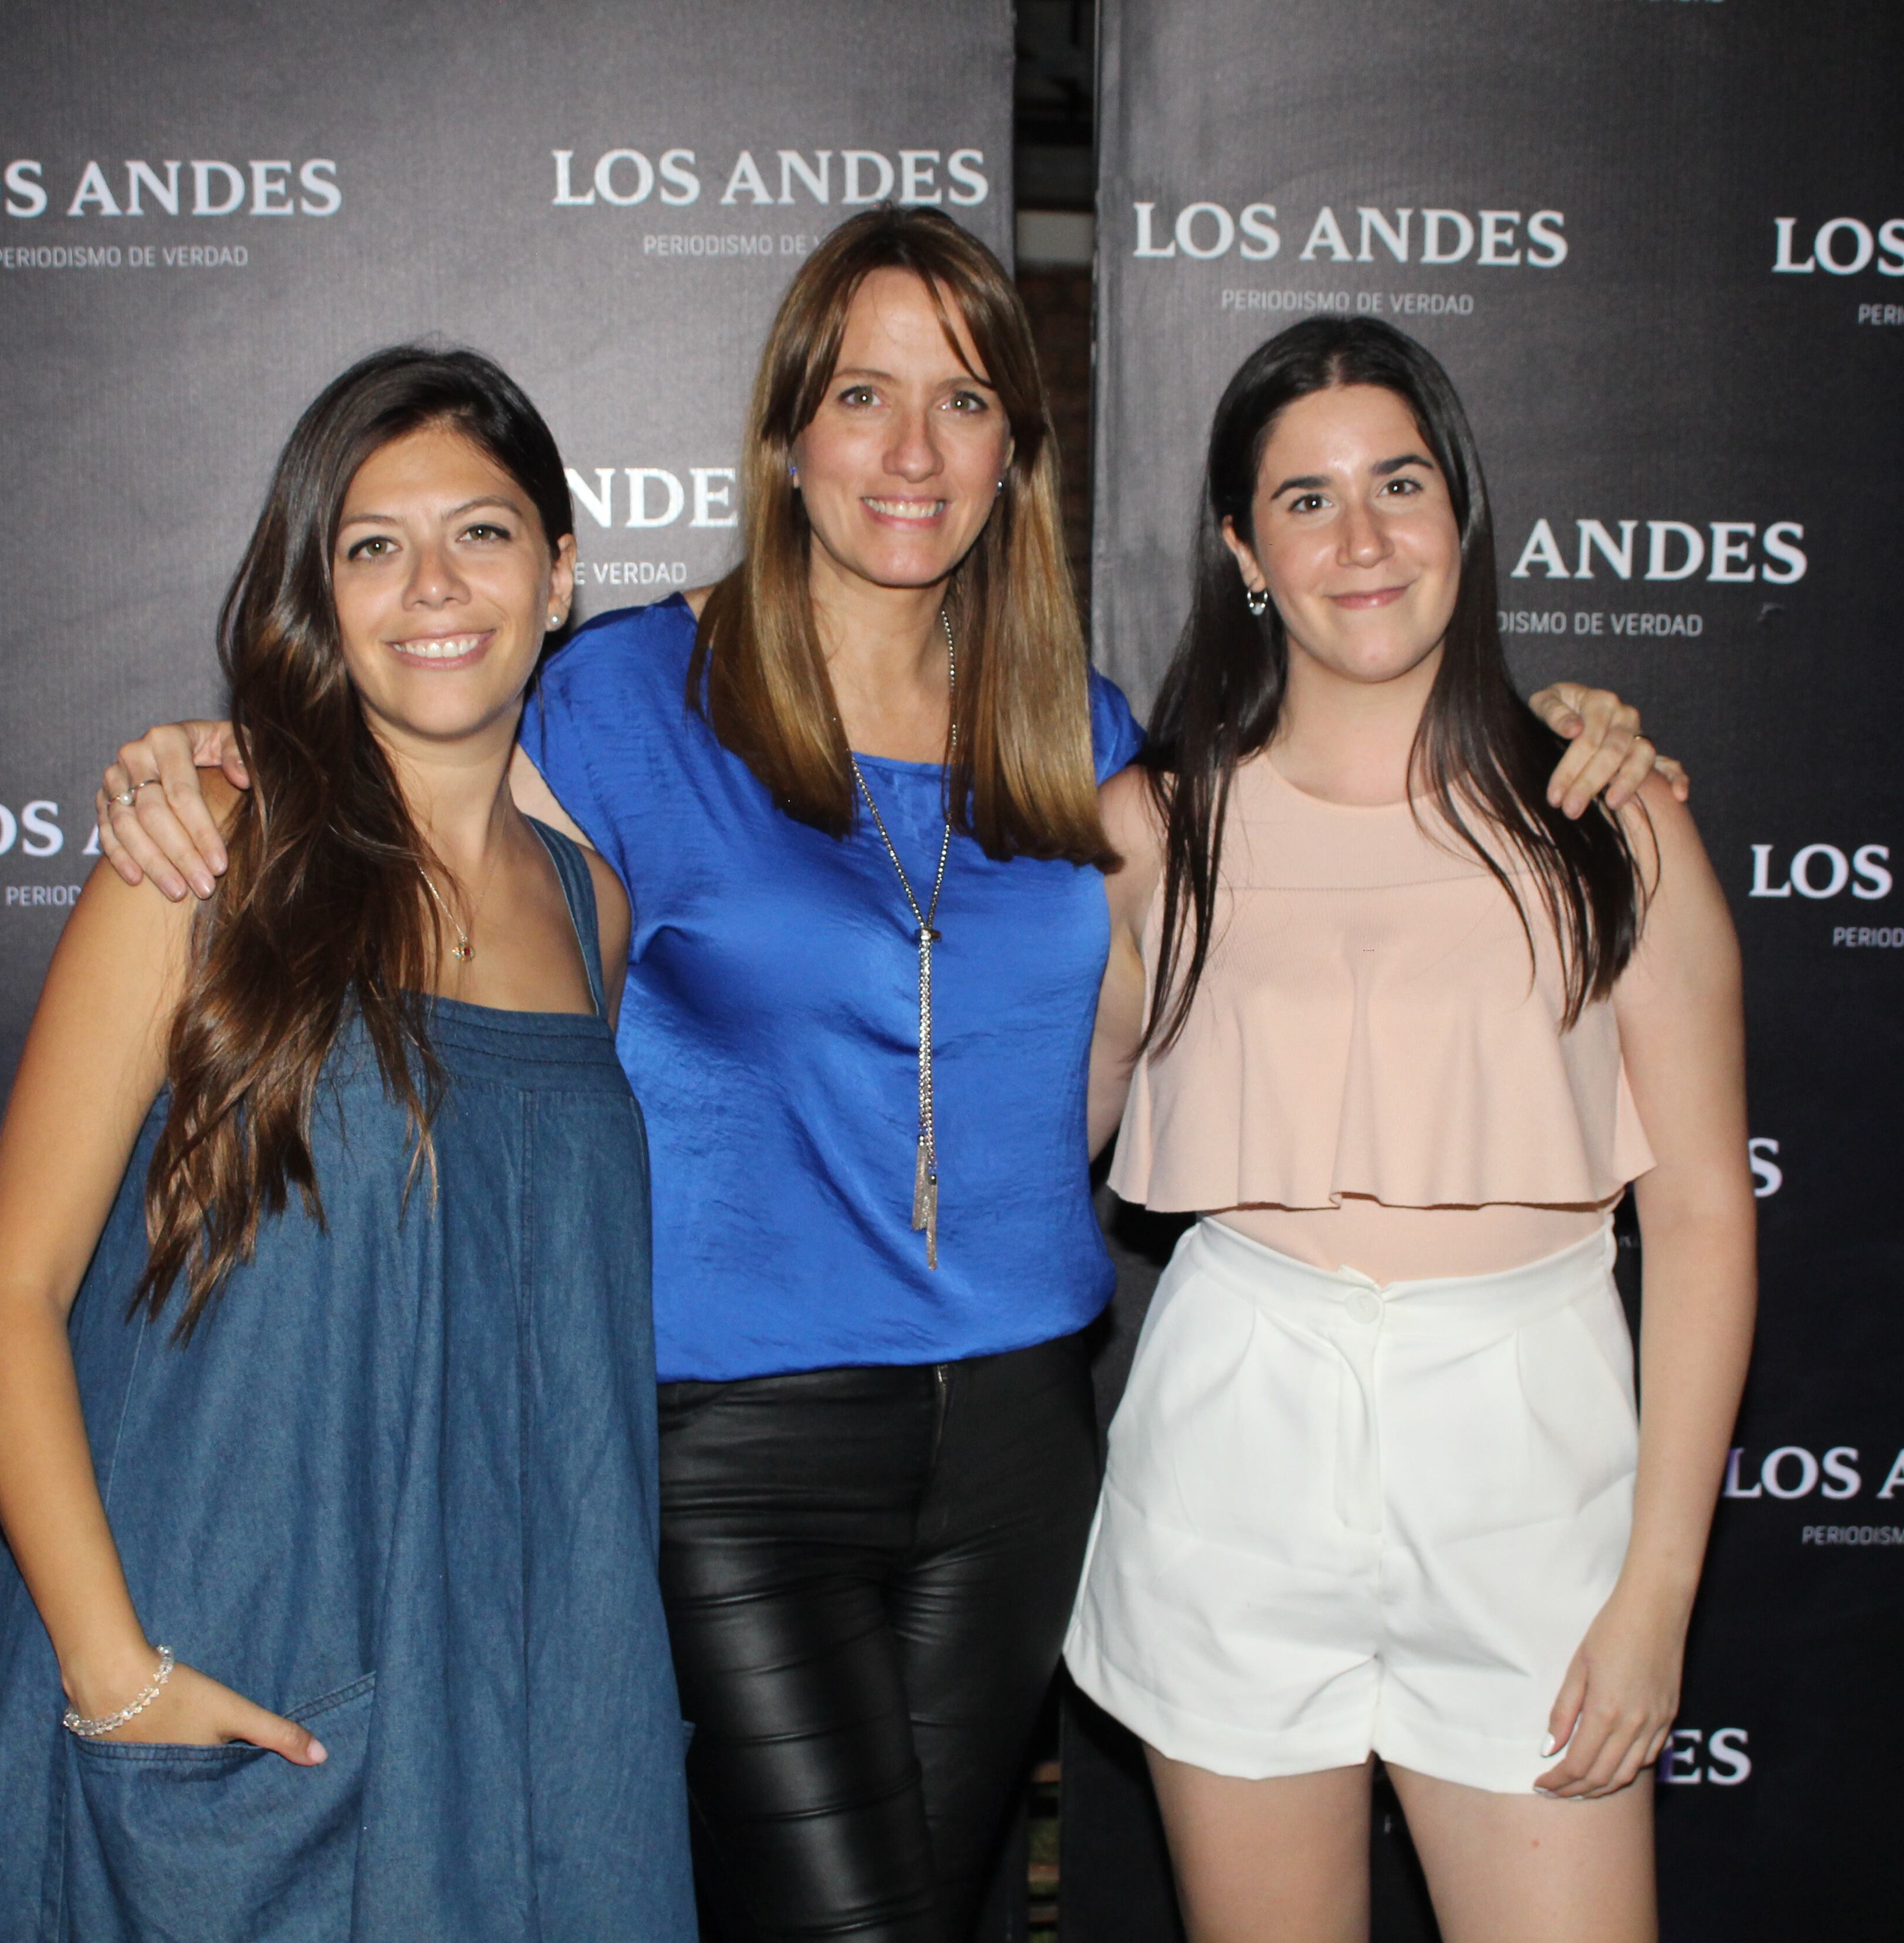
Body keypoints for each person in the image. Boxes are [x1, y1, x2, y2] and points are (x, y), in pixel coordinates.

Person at [94, 209, 1677, 1943]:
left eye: (968, 402)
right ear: (786, 436)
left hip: (1018, 1441)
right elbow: (402, 800)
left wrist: (1562, 728)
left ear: (1017, 455)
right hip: (730, 1452)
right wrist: (225, 750)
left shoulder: (1079, 736)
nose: (913, 452)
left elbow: (1337, 808)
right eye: (863, 394)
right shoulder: (616, 698)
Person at [0, 346, 694, 1942]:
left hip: (524, 1686)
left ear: (561, 576)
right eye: (372, 545)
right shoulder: (210, 852)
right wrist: (109, 1670)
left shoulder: (588, 910)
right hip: (244, 1655)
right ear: (323, 594)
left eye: (483, 534)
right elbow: (15, 1287)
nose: (433, 586)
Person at [1067, 315, 1757, 1943]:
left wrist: (1659, 1590)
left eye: (1399, 484)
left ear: (1462, 516)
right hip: (1234, 1436)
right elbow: (1026, 1154)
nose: (1360, 538)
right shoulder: (1146, 836)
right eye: (1304, 500)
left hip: (1536, 1461)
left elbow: (1713, 1221)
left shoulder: (1619, 826)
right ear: (1244, 549)